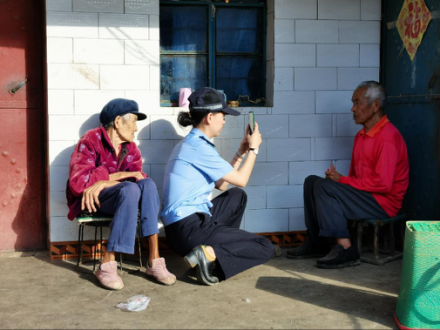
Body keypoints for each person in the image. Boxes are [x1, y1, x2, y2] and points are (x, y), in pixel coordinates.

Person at [287, 81, 409, 269]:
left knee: (324, 187)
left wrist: (342, 181)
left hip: (383, 203)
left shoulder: (387, 137)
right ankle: (318, 242)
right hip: (366, 196)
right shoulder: (362, 135)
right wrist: (340, 180)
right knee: (312, 181)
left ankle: (346, 248)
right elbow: (357, 178)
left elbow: (384, 184)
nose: (353, 109)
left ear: (375, 105)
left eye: (357, 102)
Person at [161, 87, 274, 285]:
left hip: (184, 229)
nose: (224, 120)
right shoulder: (199, 147)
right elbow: (242, 179)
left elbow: (222, 185)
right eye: (223, 115)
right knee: (264, 245)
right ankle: (211, 254)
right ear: (209, 117)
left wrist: (240, 153)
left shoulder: (193, 143)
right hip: (190, 229)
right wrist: (254, 149)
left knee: (236, 196)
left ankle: (212, 253)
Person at [66, 98, 176, 290]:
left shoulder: (130, 148)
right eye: (133, 121)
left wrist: (105, 180)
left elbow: (137, 176)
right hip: (91, 201)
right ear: (118, 122)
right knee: (130, 187)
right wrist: (116, 177)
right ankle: (107, 264)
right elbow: (78, 184)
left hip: (123, 198)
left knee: (147, 184)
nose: (136, 128)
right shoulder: (90, 140)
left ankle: (155, 260)